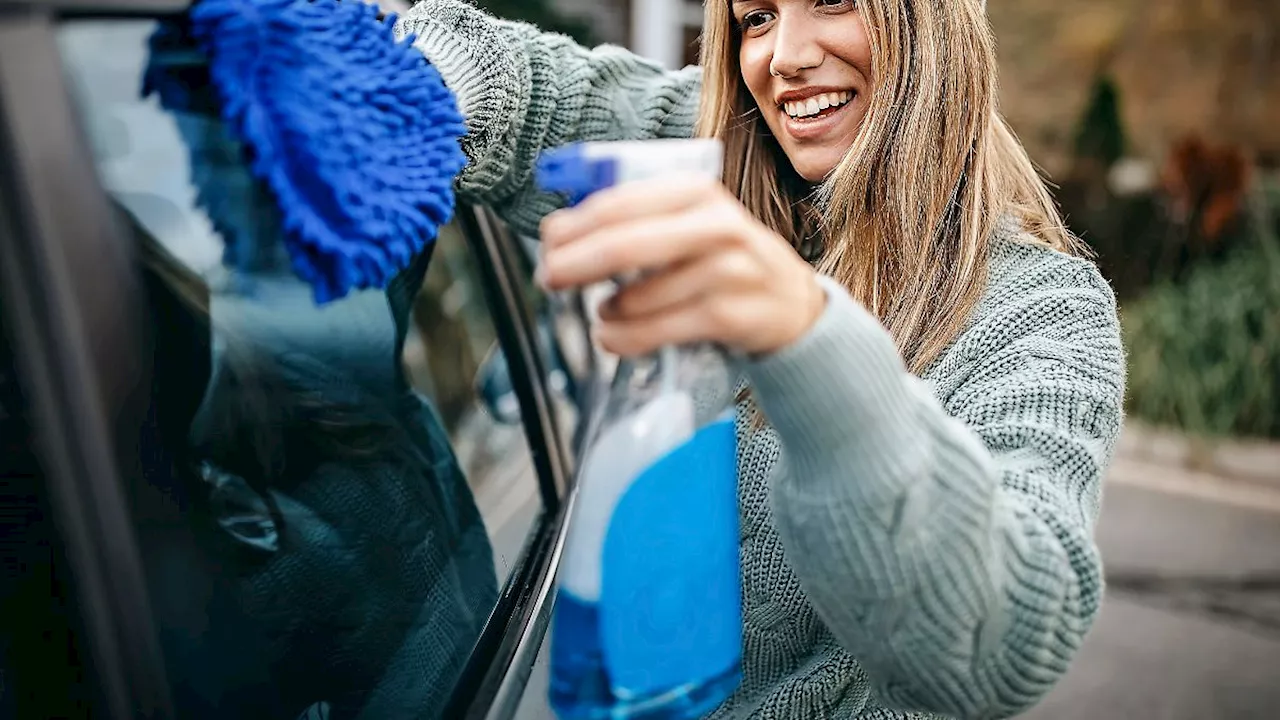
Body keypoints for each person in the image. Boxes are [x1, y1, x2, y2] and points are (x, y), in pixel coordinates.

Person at [396, 0, 1125, 718]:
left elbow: (1003, 644)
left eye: (832, 2)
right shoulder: (721, 161)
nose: (784, 56)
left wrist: (808, 340)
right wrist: (390, 80)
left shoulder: (1044, 311)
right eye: (757, 17)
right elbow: (529, 93)